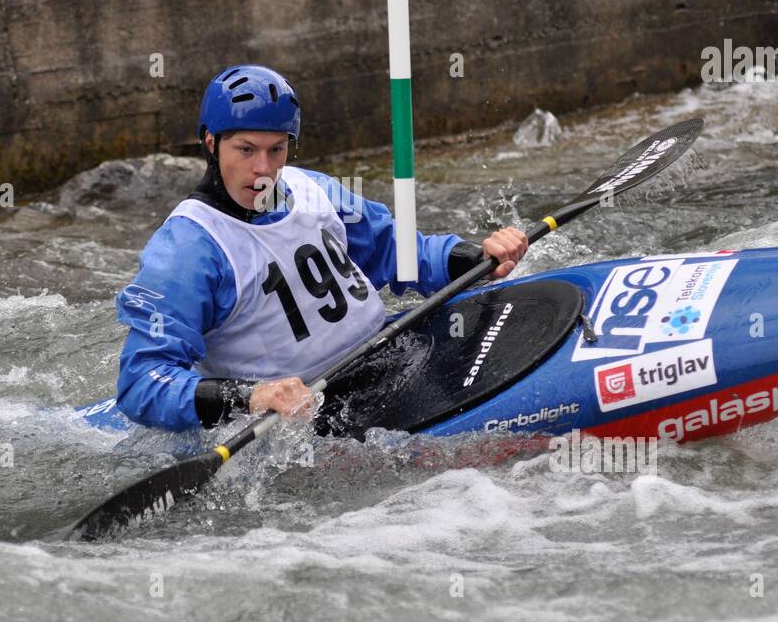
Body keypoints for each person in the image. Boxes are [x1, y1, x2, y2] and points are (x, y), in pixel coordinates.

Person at [114, 64, 528, 430]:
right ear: (209, 141)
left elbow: (396, 252)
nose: (263, 169)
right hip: (318, 413)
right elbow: (142, 381)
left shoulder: (312, 188)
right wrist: (250, 396)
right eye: (245, 150)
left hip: (392, 351)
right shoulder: (189, 250)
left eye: (276, 149)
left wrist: (475, 258)